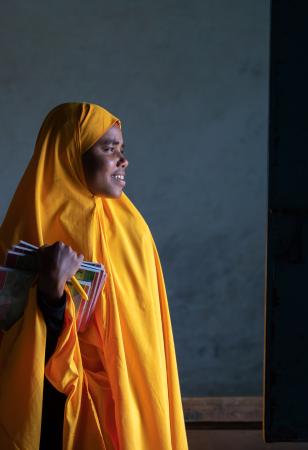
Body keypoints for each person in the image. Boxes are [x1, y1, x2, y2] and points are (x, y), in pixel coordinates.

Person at [0, 103, 189, 450]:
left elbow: (145, 347)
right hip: (52, 418)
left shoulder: (133, 234)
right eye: (108, 148)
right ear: (71, 154)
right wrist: (51, 295)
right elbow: (12, 349)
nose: (123, 160)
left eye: (122, 149)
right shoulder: (25, 231)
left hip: (121, 410)